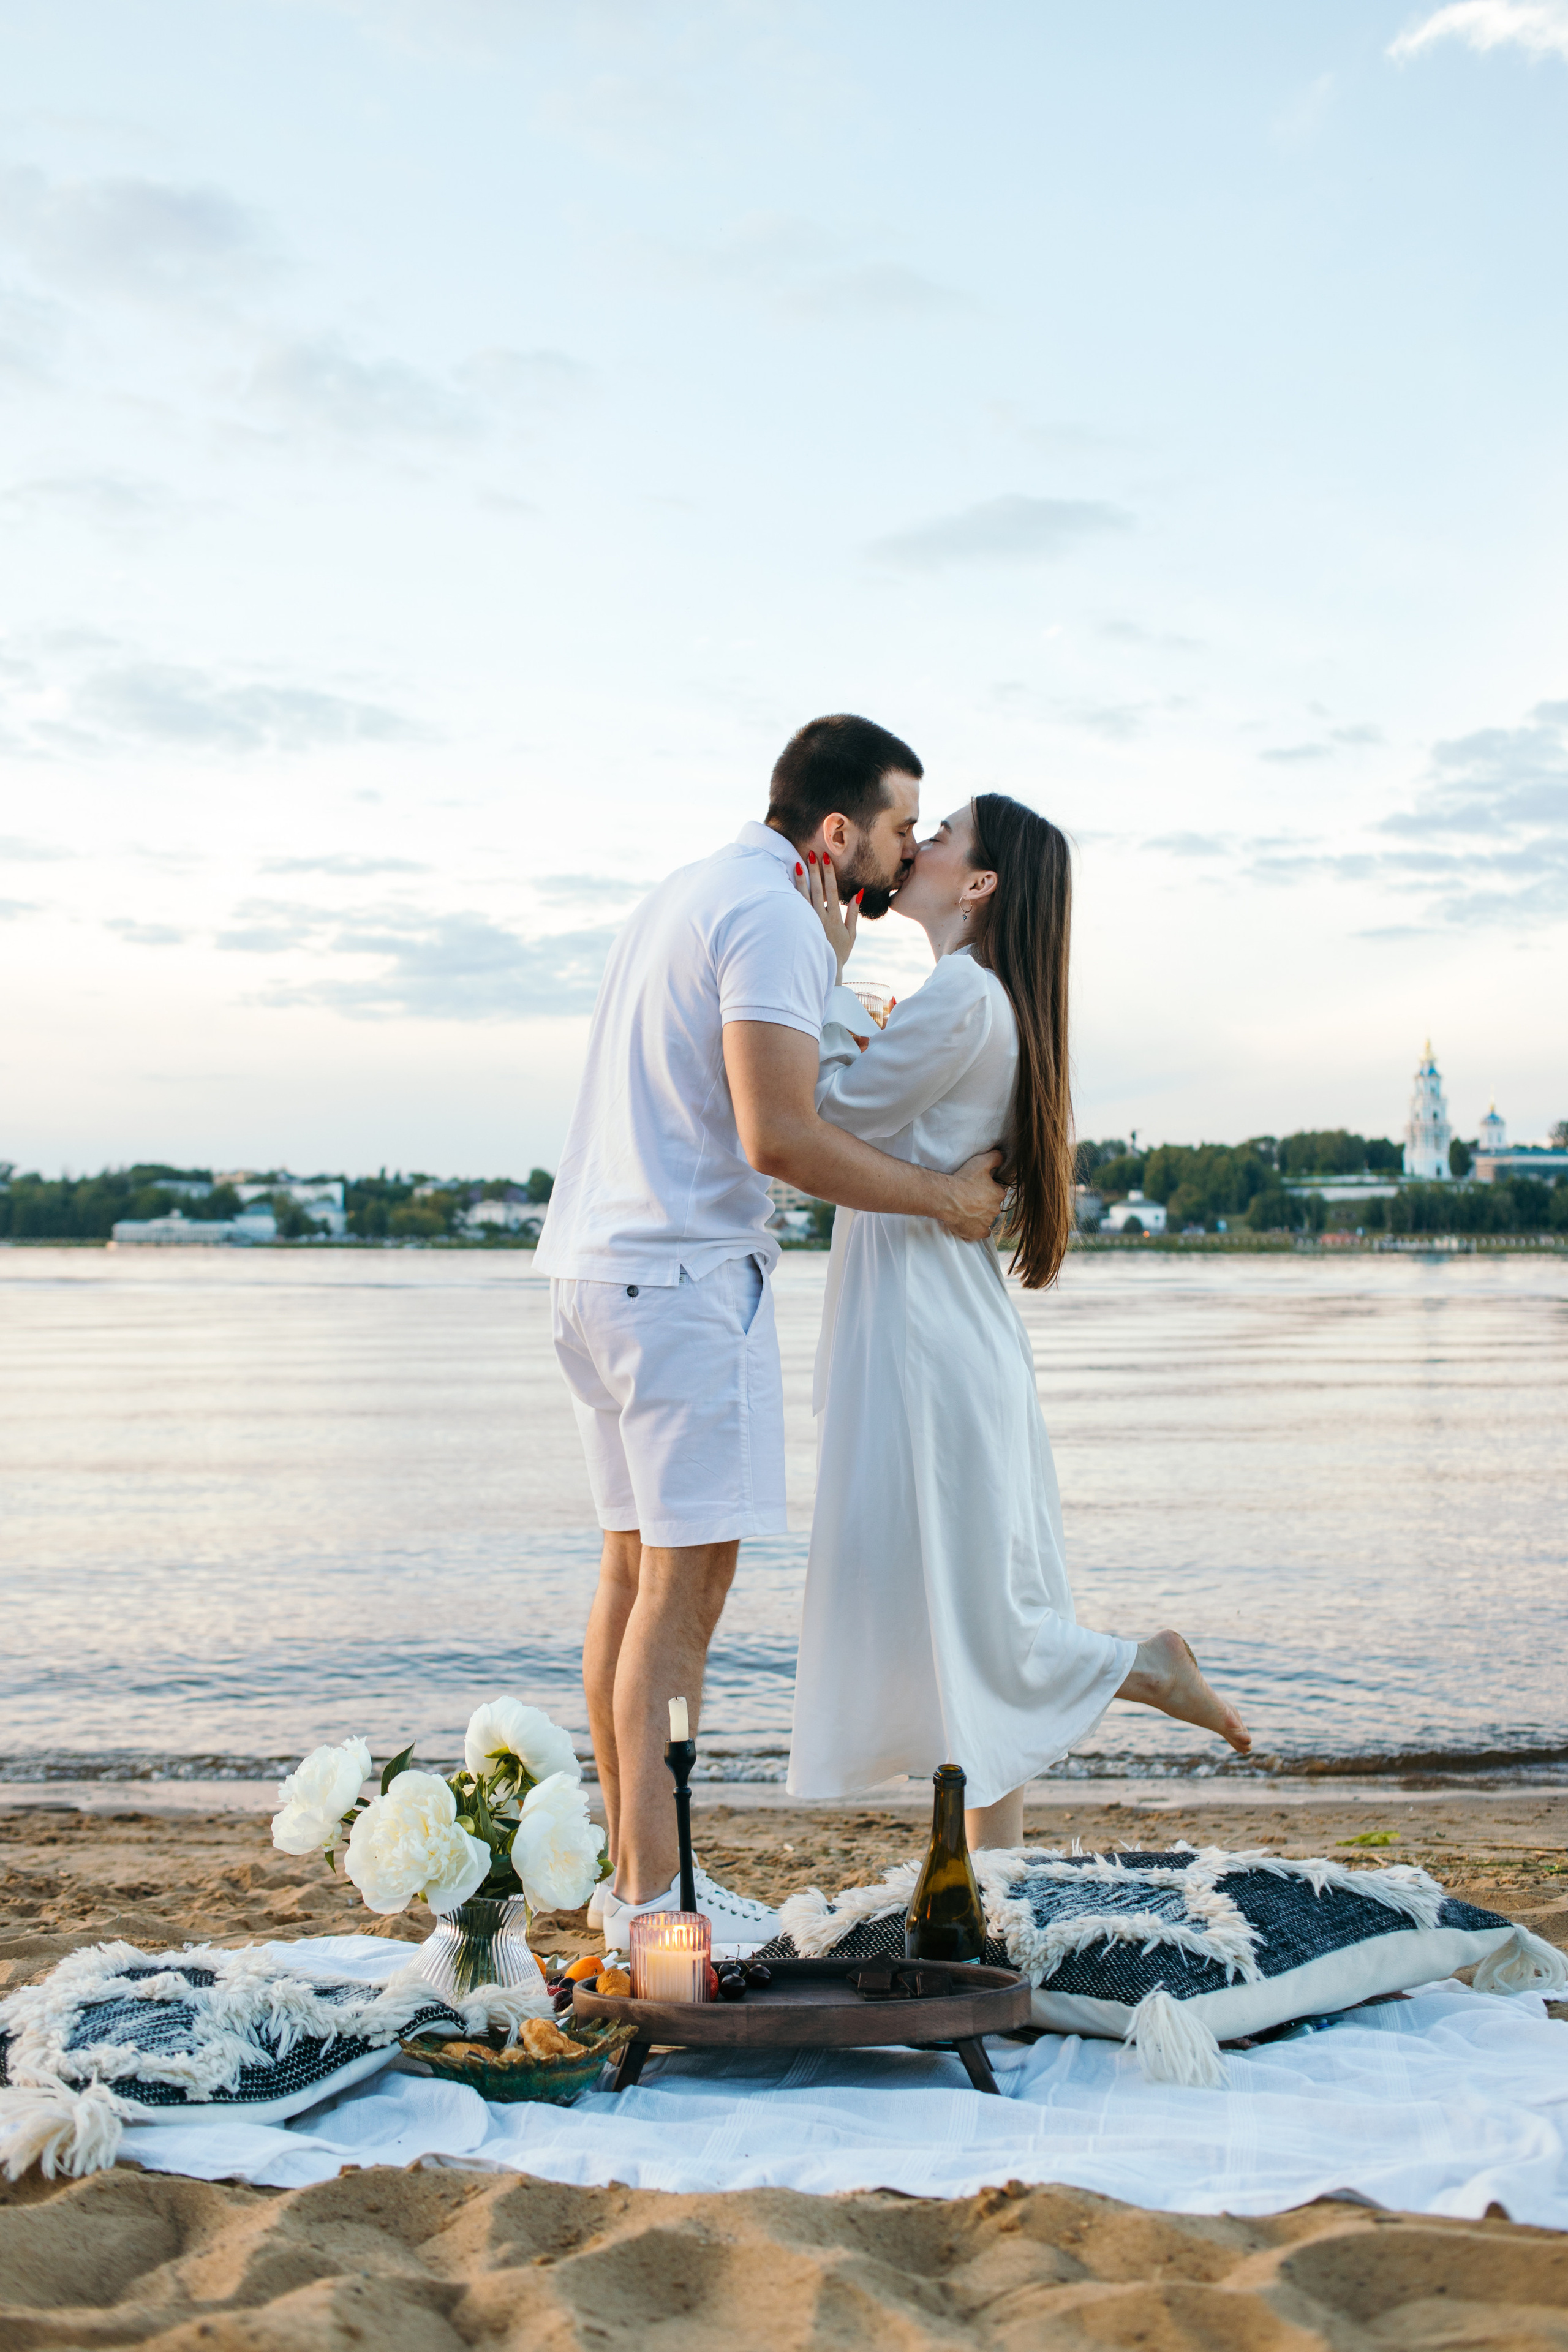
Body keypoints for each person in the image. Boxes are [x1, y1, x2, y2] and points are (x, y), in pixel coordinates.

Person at [534, 717, 1007, 1942]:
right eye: (903, 824)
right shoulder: (768, 920)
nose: (909, 848)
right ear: (837, 829)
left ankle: (629, 1879)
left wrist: (834, 956)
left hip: (595, 1270)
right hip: (683, 1285)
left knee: (631, 1581)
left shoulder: (692, 893)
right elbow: (781, 1137)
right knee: (681, 1600)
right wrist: (947, 1198)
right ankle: (653, 1901)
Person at [786, 794, 1251, 1849]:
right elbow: (876, 1109)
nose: (919, 845)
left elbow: (828, 1117)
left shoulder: (964, 995)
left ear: (981, 882)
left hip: (922, 1335)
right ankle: (990, 1887)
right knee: (964, 1602)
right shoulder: (975, 998)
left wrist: (818, 968)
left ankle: (1142, 1666)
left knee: (974, 1609)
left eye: (940, 835)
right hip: (942, 1328)